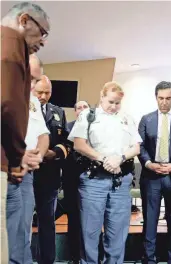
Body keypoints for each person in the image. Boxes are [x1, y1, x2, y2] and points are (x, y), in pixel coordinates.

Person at [68, 82, 141, 263]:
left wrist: (120, 158)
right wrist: (104, 159)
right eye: (110, 102)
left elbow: (136, 147)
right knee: (90, 233)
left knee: (117, 232)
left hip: (120, 181)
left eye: (118, 103)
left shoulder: (126, 118)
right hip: (94, 181)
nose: (114, 106)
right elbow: (79, 144)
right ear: (101, 97)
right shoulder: (87, 115)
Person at [1, 3, 50, 260]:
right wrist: (19, 153)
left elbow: (43, 135)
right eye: (42, 33)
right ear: (24, 20)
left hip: (18, 167)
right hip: (8, 163)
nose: (42, 41)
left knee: (18, 237)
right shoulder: (9, 51)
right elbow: (6, 107)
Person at [138, 81, 171, 264]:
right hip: (151, 175)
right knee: (150, 221)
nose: (164, 102)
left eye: (168, 98)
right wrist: (149, 163)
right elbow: (140, 146)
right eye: (161, 98)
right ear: (156, 97)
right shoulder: (146, 119)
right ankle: (149, 259)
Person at [6, 54, 49, 264]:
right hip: (5, 172)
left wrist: (38, 155)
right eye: (29, 78)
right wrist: (18, 154)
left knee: (23, 230)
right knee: (7, 232)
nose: (31, 85)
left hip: (27, 174)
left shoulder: (32, 101)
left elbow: (43, 135)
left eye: (35, 80)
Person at [31, 75, 69, 264]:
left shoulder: (58, 112)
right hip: (27, 173)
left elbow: (66, 143)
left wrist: (54, 153)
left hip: (50, 175)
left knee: (47, 223)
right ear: (32, 90)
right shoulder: (24, 109)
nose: (43, 96)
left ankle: (47, 261)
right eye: (40, 92)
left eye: (47, 92)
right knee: (22, 223)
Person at [63, 100, 90, 264]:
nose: (82, 110)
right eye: (78, 108)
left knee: (90, 219)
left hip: (91, 178)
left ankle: (89, 255)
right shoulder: (68, 127)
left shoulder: (95, 126)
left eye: (85, 107)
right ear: (75, 112)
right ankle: (74, 257)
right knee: (73, 218)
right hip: (71, 178)